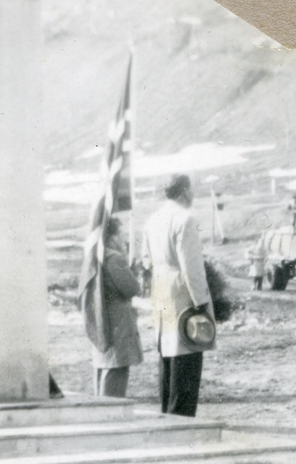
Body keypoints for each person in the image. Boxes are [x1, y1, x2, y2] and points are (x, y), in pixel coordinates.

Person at [142, 174, 214, 417]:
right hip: (182, 292)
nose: (192, 194)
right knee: (187, 356)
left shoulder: (152, 220)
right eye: (191, 189)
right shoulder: (185, 219)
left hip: (161, 290)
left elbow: (146, 260)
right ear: (184, 192)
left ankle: (166, 415)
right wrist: (201, 302)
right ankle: (181, 420)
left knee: (167, 358)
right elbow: (191, 267)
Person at [86, 217, 143, 397]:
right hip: (117, 322)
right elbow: (132, 288)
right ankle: (109, 412)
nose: (123, 240)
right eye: (121, 235)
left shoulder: (95, 256)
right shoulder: (114, 258)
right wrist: (134, 272)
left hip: (102, 320)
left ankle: (101, 413)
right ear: (112, 237)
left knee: (103, 367)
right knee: (115, 369)